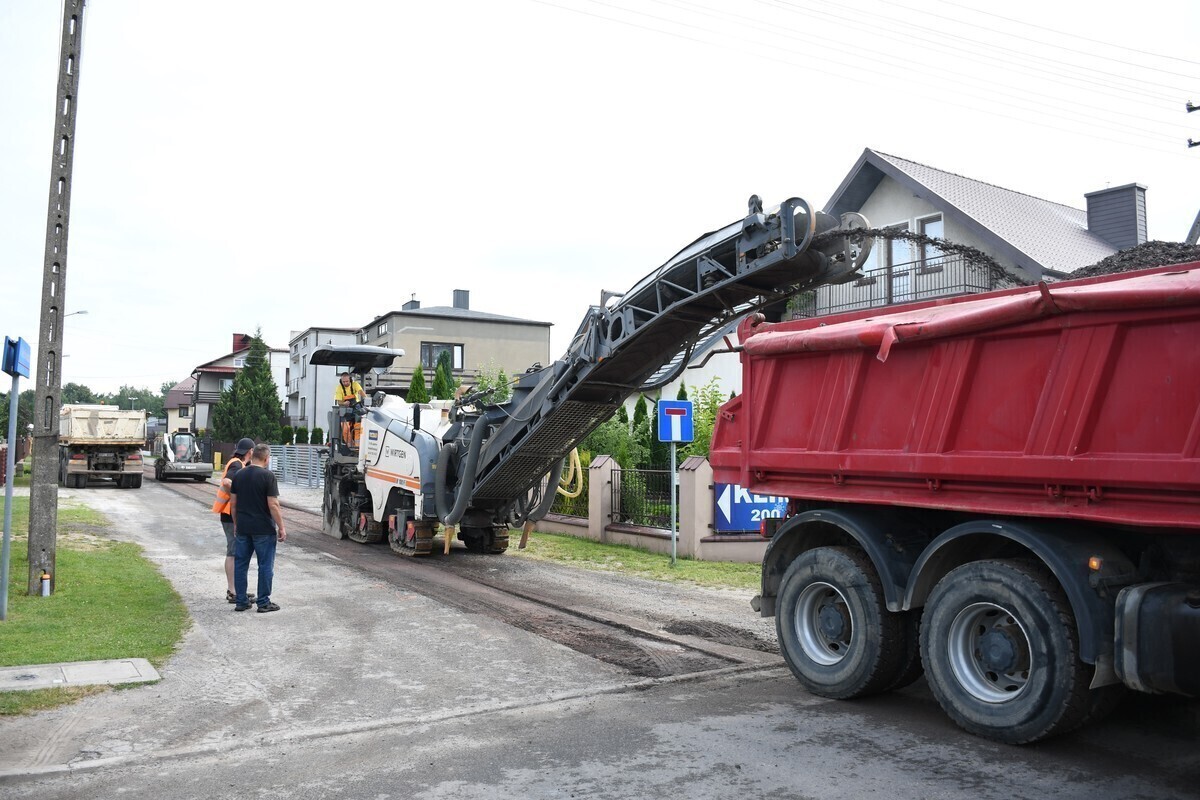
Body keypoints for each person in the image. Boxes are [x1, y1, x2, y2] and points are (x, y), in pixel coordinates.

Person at [229, 443, 286, 613]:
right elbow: (273, 505)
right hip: (263, 529)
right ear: (267, 458)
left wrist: (236, 523)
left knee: (241, 564)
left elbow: (233, 503)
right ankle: (263, 602)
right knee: (265, 565)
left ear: (252, 455)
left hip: (243, 527)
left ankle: (241, 601)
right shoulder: (268, 476)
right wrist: (281, 527)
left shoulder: (239, 475)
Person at [211, 437, 256, 604]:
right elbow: (227, 481)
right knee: (233, 552)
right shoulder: (237, 464)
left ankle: (237, 589)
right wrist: (240, 493)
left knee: (235, 552)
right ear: (250, 451)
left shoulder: (238, 463)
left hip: (229, 514)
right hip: (230, 515)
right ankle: (232, 591)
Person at [334, 372, 365, 447]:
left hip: (356, 408)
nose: (345, 383)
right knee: (345, 429)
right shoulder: (339, 388)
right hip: (345, 410)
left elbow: (361, 392)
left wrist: (366, 399)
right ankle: (350, 446)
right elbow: (339, 402)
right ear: (341, 381)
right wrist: (344, 403)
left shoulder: (355, 384)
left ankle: (357, 446)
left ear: (350, 379)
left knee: (358, 426)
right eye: (343, 382)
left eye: (347, 381)